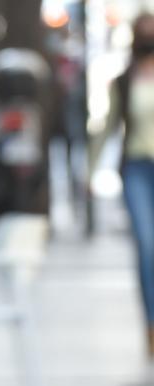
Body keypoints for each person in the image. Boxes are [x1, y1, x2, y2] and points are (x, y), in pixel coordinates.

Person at [104, 13, 154, 358]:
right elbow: (108, 127)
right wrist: (91, 173)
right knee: (147, 247)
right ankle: (152, 324)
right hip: (136, 167)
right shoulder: (124, 80)